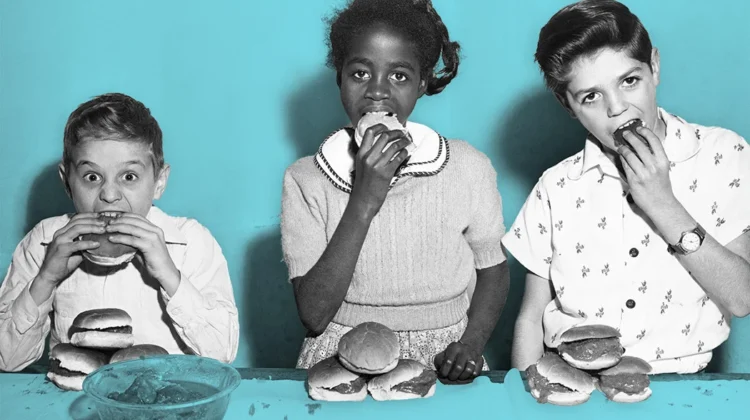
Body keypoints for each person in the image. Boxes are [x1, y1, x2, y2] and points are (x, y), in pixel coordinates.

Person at [504, 0, 750, 375]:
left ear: (654, 66)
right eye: (591, 96)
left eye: (629, 81)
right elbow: (530, 319)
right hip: (575, 383)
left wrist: (662, 203)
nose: (617, 109)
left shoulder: (725, 155)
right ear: (568, 105)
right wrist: (528, 397)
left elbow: (742, 297)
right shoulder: (557, 186)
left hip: (682, 386)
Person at [281, 0, 509, 383]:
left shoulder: (467, 167)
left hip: (443, 355)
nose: (377, 92)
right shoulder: (306, 179)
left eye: (399, 76)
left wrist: (471, 344)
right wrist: (365, 198)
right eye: (359, 73)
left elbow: (495, 271)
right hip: (341, 352)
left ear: (422, 83)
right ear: (339, 77)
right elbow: (314, 313)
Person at [0, 93, 240, 371]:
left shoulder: (191, 241)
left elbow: (223, 353)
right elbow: (8, 360)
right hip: (74, 402)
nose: (110, 195)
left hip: (166, 400)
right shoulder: (43, 240)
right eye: (92, 177)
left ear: (159, 181)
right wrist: (46, 279)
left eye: (129, 177)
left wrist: (169, 275)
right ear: (67, 182)